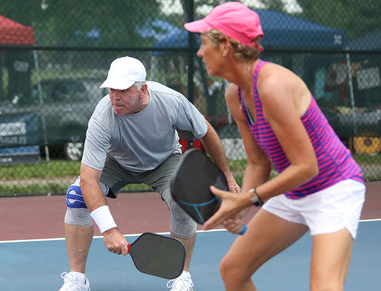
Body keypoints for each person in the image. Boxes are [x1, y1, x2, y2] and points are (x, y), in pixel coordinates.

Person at [184, 2, 365, 291]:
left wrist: (249, 198)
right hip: (294, 191)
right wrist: (240, 208)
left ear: (226, 46)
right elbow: (258, 163)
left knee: (325, 286)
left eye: (204, 43)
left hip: (334, 188)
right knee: (233, 270)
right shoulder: (235, 94)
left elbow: (307, 166)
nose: (200, 52)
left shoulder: (272, 85)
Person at [59, 56, 239, 291]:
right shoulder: (103, 116)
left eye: (123, 90)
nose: (115, 96)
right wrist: (110, 230)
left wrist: (228, 176)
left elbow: (206, 132)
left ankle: (182, 276)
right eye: (112, 89)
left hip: (164, 160)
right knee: (76, 196)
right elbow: (88, 179)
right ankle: (77, 280)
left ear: (142, 89)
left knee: (182, 201)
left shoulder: (171, 101)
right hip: (117, 162)